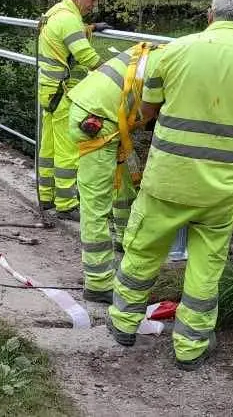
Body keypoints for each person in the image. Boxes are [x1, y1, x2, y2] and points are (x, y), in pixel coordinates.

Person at [107, 0, 233, 371]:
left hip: (169, 179)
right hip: (225, 187)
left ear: (210, 14)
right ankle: (191, 347)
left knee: (143, 249)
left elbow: (146, 110)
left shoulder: (173, 52)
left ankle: (123, 324)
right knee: (207, 263)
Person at [66, 40, 170, 304]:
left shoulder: (167, 54)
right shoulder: (177, 66)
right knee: (96, 202)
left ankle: (124, 242)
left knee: (123, 189)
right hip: (97, 117)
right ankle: (98, 281)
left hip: (106, 112)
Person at [36, 0, 110, 221]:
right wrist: (115, 74)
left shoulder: (54, 13)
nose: (94, 4)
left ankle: (46, 195)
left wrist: (90, 28)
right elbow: (86, 56)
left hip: (48, 90)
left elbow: (66, 37)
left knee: (48, 146)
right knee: (67, 149)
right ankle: (66, 204)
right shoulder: (69, 20)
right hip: (63, 93)